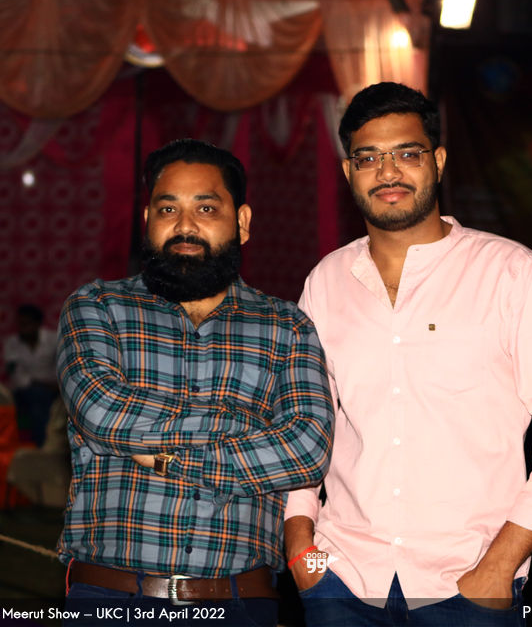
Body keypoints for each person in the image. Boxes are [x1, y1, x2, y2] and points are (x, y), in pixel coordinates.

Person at [284, 82, 532, 626]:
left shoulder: (512, 274)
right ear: (348, 172)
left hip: (467, 584)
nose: (388, 172)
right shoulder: (326, 281)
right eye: (369, 158)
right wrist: (301, 548)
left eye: (406, 154)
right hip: (342, 581)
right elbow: (304, 423)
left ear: (437, 161)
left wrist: (498, 567)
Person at [56, 139, 334, 626]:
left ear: (242, 222)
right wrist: (241, 426)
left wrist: (166, 457)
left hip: (240, 605)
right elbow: (101, 413)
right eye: (168, 209)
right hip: (110, 600)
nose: (185, 225)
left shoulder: (286, 326)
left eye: (206, 208)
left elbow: (307, 448)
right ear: (147, 219)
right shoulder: (98, 307)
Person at [3, 303, 57, 446]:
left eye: (27, 324)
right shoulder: (11, 343)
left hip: (55, 390)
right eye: (20, 324)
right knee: (37, 400)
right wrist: (45, 384)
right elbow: (18, 376)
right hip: (26, 392)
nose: (23, 328)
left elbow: (64, 366)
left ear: (38, 323)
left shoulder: (54, 340)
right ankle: (43, 447)